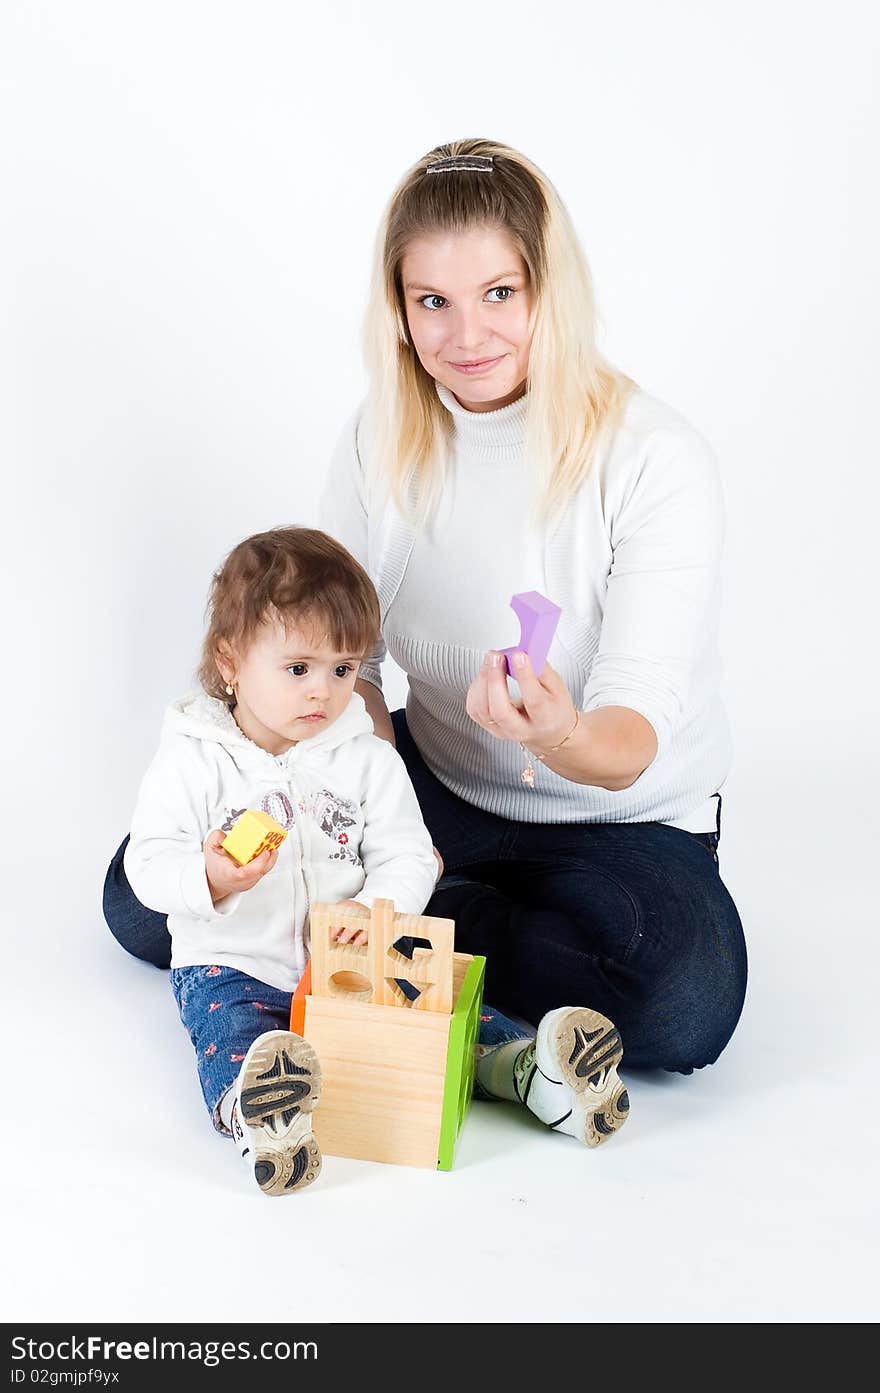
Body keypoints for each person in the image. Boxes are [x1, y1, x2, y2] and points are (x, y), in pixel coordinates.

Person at [105, 136, 746, 1152]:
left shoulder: (651, 457)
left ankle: (422, 922)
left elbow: (632, 738)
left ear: (550, 289)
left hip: (615, 814)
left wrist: (560, 732)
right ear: (398, 309)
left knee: (678, 1002)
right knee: (140, 900)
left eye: (498, 292)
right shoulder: (383, 433)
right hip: (428, 775)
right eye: (431, 302)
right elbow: (341, 656)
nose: (465, 334)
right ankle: (427, 918)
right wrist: (348, 774)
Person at [121, 525, 438, 1195]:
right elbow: (146, 864)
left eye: (344, 668)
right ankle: (260, 1116)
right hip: (231, 959)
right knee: (234, 1037)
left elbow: (409, 851)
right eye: (298, 669)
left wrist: (378, 907)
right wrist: (208, 877)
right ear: (231, 662)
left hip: (344, 961)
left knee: (432, 1006)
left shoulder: (367, 757)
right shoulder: (194, 757)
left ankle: (527, 1068)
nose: (323, 692)